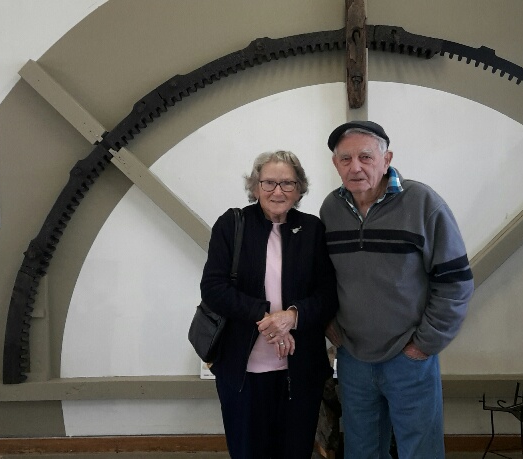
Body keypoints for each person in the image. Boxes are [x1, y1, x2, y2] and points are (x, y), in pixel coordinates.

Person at [319, 121, 474, 459]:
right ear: (335, 164)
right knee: (361, 451)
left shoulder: (423, 204)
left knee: (420, 452)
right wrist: (330, 326)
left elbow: (456, 281)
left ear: (386, 159)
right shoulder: (331, 210)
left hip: (409, 358)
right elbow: (323, 277)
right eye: (345, 159)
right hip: (354, 359)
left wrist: (424, 344)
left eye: (365, 156)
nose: (355, 167)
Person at [200, 150, 338, 459]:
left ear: (299, 189)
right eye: (269, 183)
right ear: (255, 187)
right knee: (248, 451)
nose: (278, 191)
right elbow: (213, 288)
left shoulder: (312, 230)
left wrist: (291, 317)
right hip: (242, 370)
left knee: (295, 450)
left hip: (300, 370)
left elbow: (328, 294)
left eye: (287, 183)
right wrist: (266, 319)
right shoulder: (232, 224)